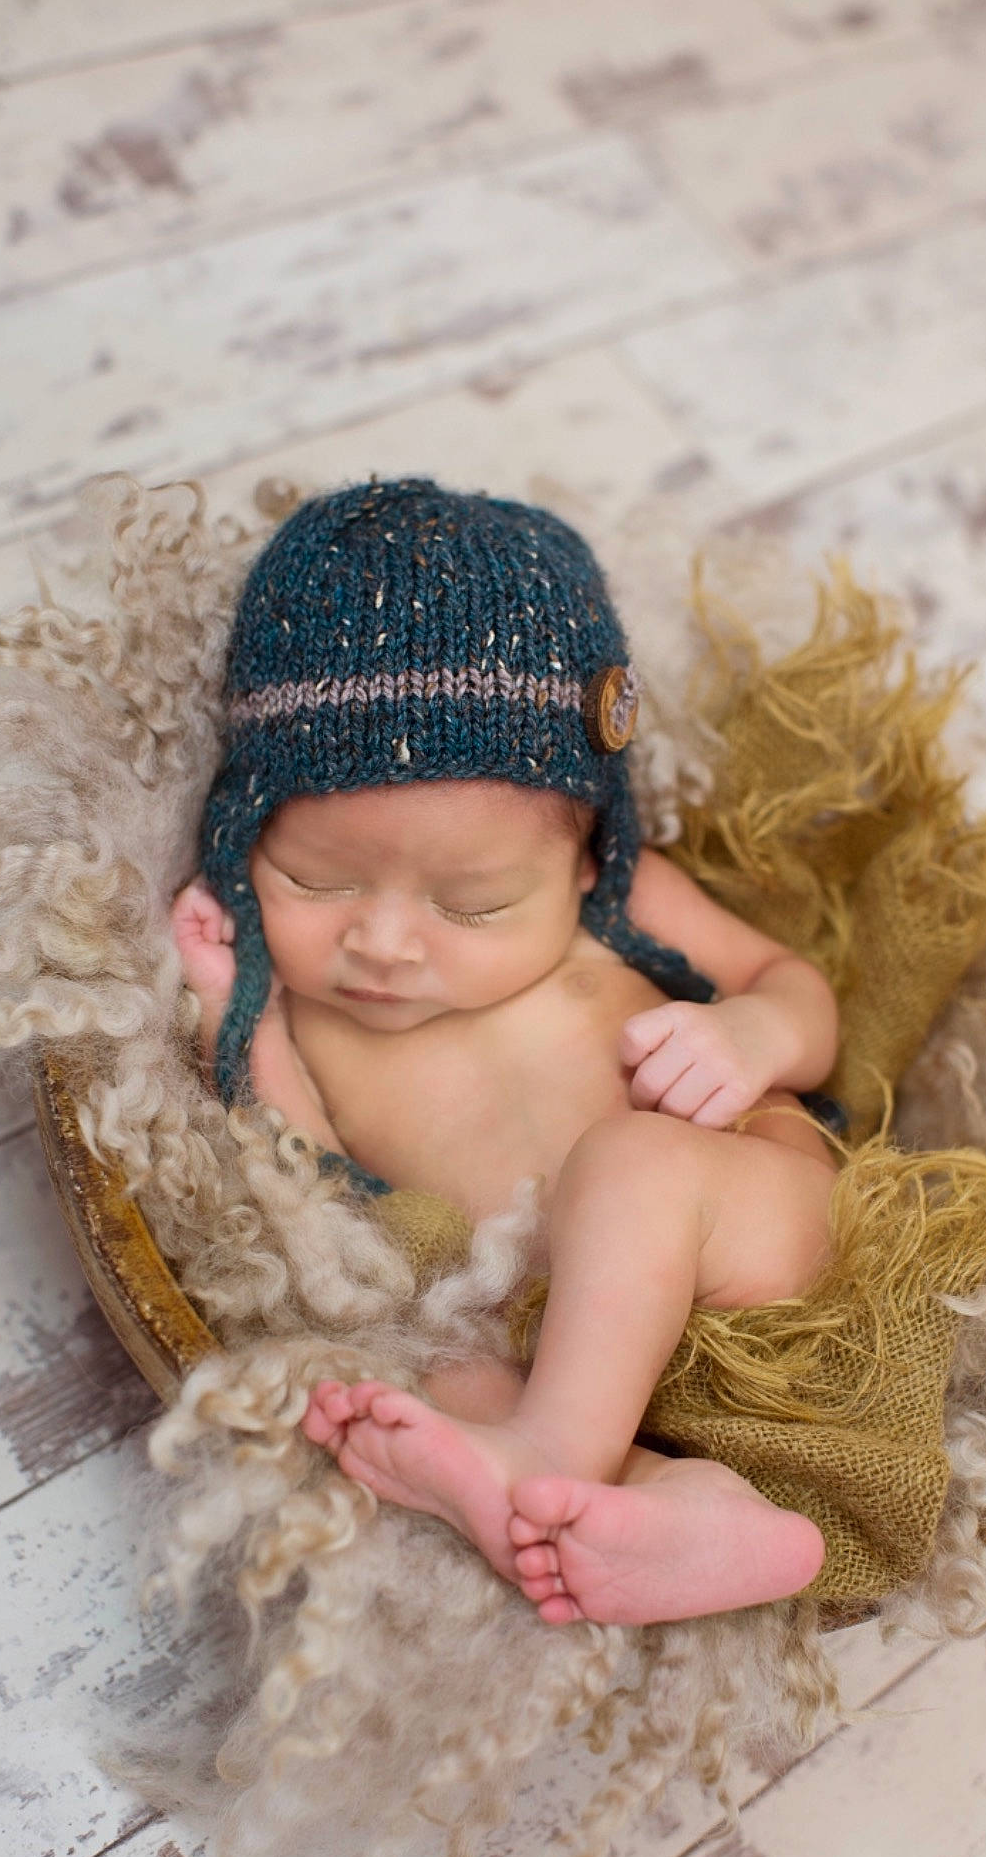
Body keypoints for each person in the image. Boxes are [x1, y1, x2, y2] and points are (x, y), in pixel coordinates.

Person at [172, 477, 842, 1628]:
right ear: (247, 831)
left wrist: (753, 1031)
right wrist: (243, 1014)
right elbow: (304, 1172)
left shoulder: (614, 907)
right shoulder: (297, 1001)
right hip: (547, 1333)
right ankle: (688, 1506)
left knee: (629, 1166)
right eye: (315, 880)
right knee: (421, 1370)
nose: (381, 943)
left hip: (749, 1235)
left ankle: (537, 1452)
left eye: (474, 903)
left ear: (588, 859)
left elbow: (804, 993)